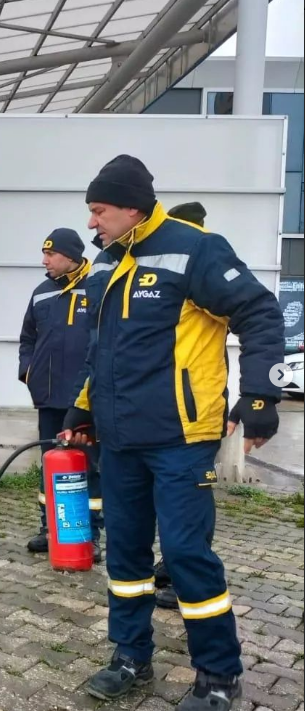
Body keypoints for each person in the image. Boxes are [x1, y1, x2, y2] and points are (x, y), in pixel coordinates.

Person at [62, 156, 284, 711]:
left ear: (131, 207)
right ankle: (131, 657)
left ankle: (218, 674)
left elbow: (258, 311)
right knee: (128, 556)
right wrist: (84, 410)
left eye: (99, 210)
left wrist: (260, 395)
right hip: (121, 440)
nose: (93, 224)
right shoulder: (108, 265)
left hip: (181, 438)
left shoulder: (196, 248)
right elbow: (103, 355)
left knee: (185, 554)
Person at [18, 229, 103, 562]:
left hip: (84, 401)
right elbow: (27, 339)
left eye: (50, 255)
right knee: (48, 465)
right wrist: (28, 371)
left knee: (89, 468)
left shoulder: (96, 287)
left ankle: (89, 534)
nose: (44, 261)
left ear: (70, 255)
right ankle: (49, 528)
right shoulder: (41, 293)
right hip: (49, 398)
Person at [154, 202, 209, 610]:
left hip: (193, 416)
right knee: (168, 506)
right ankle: (169, 564)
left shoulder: (204, 263)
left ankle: (182, 576)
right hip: (160, 411)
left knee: (190, 510)